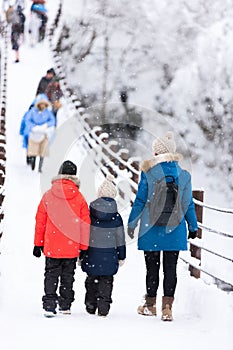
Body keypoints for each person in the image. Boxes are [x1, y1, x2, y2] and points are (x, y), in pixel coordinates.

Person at [127, 131, 198, 321]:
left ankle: (150, 305)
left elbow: (140, 200)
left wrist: (132, 222)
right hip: (174, 229)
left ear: (157, 153)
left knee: (152, 268)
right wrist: (193, 226)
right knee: (170, 268)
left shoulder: (148, 173)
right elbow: (188, 203)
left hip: (151, 228)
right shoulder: (183, 175)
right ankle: (167, 308)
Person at [33, 160, 91, 317]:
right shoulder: (79, 198)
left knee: (51, 274)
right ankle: (65, 305)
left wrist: (38, 244)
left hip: (52, 245)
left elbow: (40, 222)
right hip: (71, 247)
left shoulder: (48, 195)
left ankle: (49, 305)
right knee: (68, 276)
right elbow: (85, 225)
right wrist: (84, 247)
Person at [80, 175, 126, 317]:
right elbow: (120, 239)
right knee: (106, 281)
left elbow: (84, 233)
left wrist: (81, 254)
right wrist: (121, 255)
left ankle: (90, 304)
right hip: (109, 256)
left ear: (99, 193)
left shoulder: (90, 213)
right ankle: (104, 306)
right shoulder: (116, 216)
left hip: (92, 254)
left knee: (91, 279)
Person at [22, 97, 56, 172]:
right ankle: (32, 164)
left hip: (43, 134)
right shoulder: (33, 111)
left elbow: (53, 121)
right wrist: (33, 127)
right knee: (33, 151)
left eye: (44, 104)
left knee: (42, 151)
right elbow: (27, 120)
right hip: (33, 133)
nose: (43, 106)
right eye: (41, 104)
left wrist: (46, 125)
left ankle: (40, 167)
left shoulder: (48, 113)